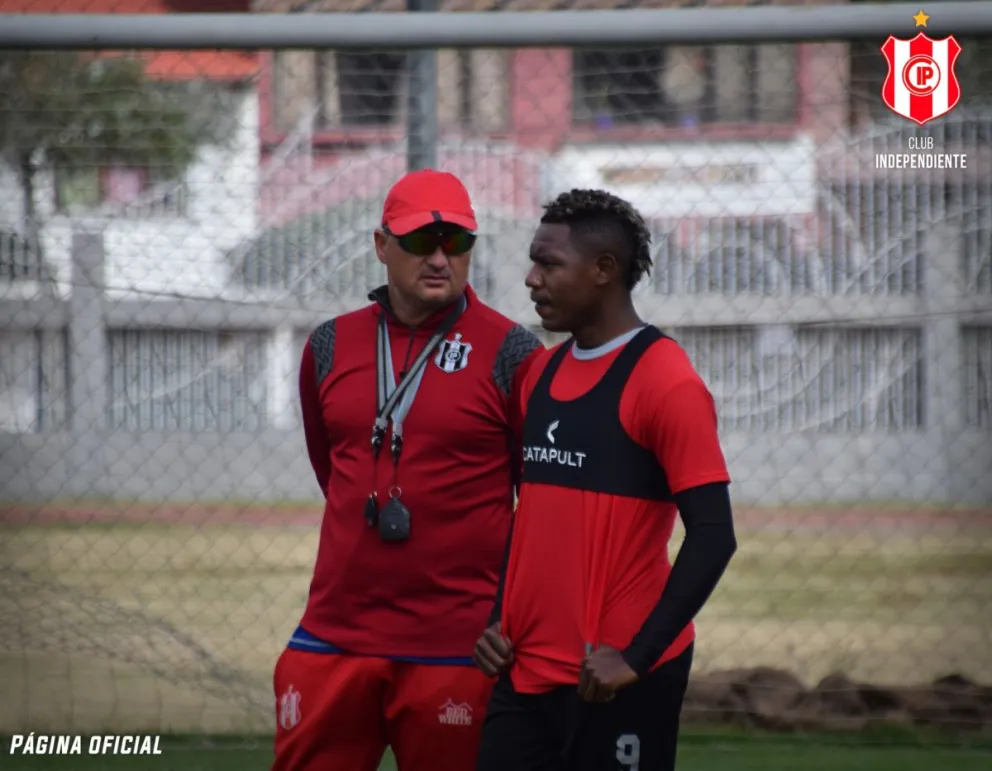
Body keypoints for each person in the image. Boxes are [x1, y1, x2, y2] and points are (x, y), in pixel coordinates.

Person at [273, 169, 542, 771]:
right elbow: (334, 471)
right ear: (381, 246)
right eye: (422, 241)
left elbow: (542, 502)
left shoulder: (514, 353)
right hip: (334, 636)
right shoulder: (328, 345)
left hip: (460, 647)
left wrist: (509, 616)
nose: (441, 258)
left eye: (458, 242)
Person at [473, 189, 738, 771]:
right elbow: (532, 517)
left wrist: (637, 658)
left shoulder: (666, 382)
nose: (531, 279)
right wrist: (499, 616)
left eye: (549, 264)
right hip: (524, 674)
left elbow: (715, 535)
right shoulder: (538, 375)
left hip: (613, 678)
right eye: (534, 262)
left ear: (603, 271)